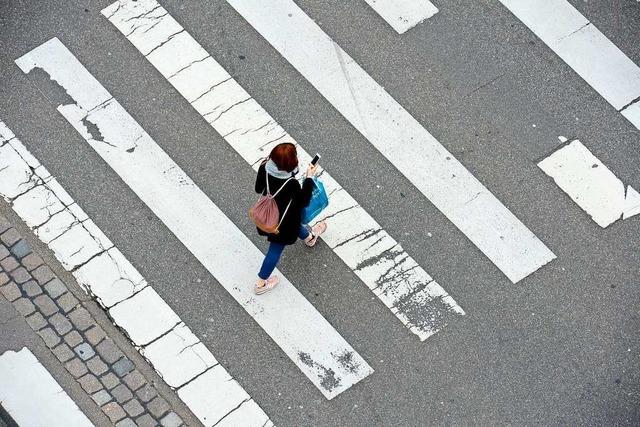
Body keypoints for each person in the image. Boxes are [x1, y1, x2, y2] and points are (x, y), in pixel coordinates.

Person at [254, 143, 327, 295]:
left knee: (295, 226)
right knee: (275, 249)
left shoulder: (264, 166)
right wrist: (308, 177)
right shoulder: (291, 183)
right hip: (283, 224)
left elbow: (258, 189)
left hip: (267, 216)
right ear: (290, 164)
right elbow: (303, 201)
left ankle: (309, 237)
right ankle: (261, 283)